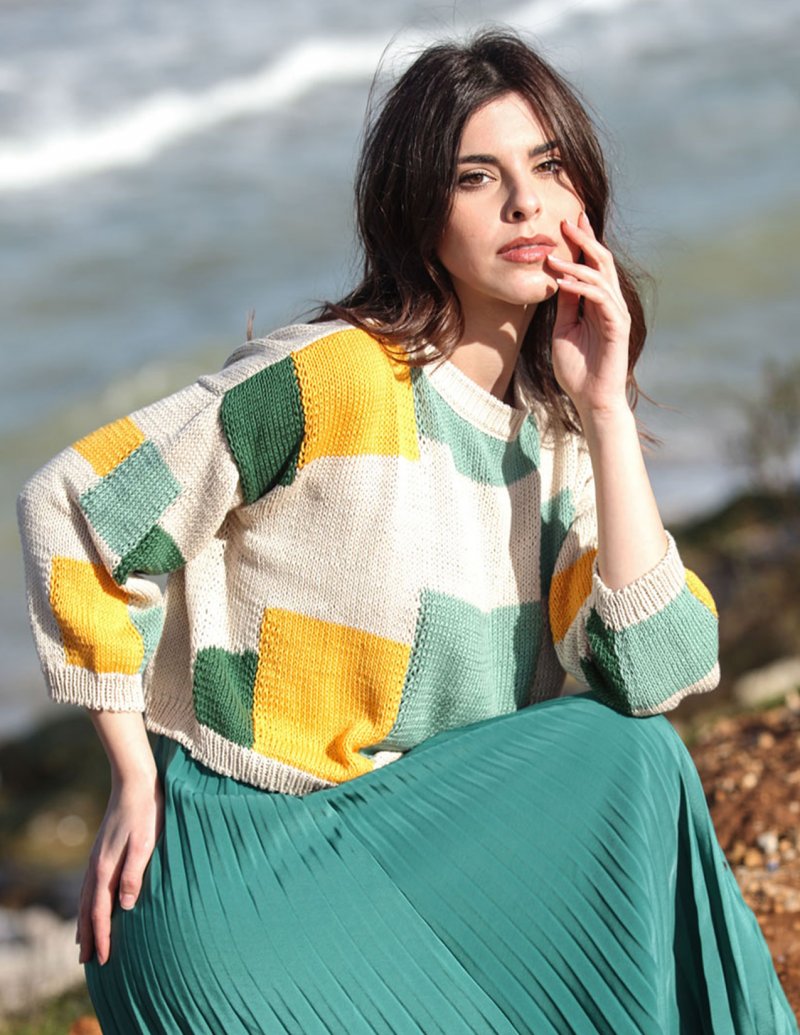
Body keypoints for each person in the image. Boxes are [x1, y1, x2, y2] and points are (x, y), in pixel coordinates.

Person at [17, 29, 798, 1035]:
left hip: (399, 867)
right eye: (477, 178)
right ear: (419, 214)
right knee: (631, 763)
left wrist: (605, 410)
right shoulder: (340, 377)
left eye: (547, 167)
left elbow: (657, 673)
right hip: (243, 867)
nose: (524, 205)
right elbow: (78, 502)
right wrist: (130, 769)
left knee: (634, 752)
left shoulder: (560, 448)